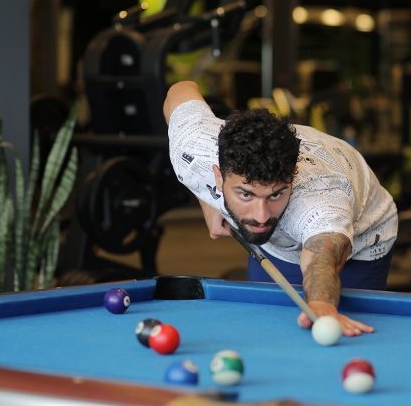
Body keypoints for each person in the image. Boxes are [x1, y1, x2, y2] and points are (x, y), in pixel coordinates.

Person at [164, 81, 398, 336]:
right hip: (278, 244)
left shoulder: (320, 201)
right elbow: (181, 89)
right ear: (218, 177)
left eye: (276, 194)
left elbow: (323, 256)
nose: (261, 215)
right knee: (267, 330)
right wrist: (208, 198)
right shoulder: (195, 148)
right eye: (246, 194)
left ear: (293, 175)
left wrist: (321, 304)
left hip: (363, 241)